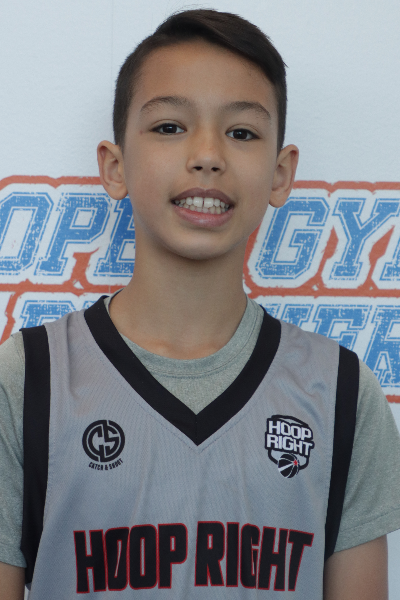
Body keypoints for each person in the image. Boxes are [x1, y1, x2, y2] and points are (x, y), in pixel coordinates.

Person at [1, 8, 400, 599]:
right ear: (114, 166)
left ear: (281, 174)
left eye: (242, 133)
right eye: (169, 126)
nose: (207, 154)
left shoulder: (340, 391)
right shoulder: (27, 379)